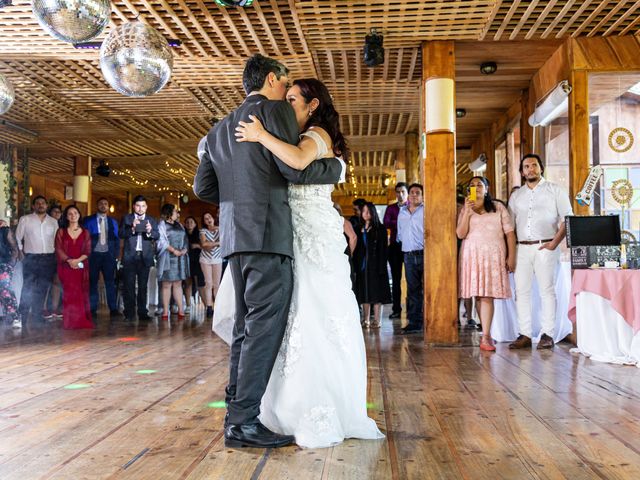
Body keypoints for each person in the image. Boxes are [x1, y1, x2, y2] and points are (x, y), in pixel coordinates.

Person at [194, 54, 380, 449]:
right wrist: (334, 170)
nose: (286, 92)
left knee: (247, 329)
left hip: (234, 242)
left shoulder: (216, 131)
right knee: (262, 330)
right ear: (273, 78)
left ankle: (237, 412)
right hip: (268, 238)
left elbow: (204, 190)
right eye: (285, 83)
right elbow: (293, 170)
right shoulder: (273, 112)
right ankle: (242, 421)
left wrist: (238, 189)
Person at [508, 154, 573, 350]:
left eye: (534, 165)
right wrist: (510, 253)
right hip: (521, 248)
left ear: (541, 168)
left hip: (545, 246)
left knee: (547, 291)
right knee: (522, 292)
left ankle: (548, 334)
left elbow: (568, 219)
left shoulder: (555, 190)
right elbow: (509, 226)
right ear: (522, 172)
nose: (530, 169)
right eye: (526, 167)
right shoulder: (516, 196)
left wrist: (554, 243)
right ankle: (525, 334)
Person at [457, 177, 516, 351]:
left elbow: (510, 234)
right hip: (472, 255)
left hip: (493, 255)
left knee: (487, 295)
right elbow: (460, 234)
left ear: (487, 188)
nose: (476, 188)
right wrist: (467, 212)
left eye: (479, 185)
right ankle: (485, 332)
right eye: (472, 186)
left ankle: (486, 336)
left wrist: (511, 256)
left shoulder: (498, 207)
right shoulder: (466, 209)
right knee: (476, 294)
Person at [15, 195, 58, 324]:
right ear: (33, 206)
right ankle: (22, 314)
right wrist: (21, 251)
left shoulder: (53, 222)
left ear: (46, 206)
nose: (41, 205)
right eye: (38, 203)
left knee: (43, 287)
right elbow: (17, 237)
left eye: (43, 203)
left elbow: (57, 240)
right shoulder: (25, 219)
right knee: (27, 286)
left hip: (48, 258)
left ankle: (37, 315)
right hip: (31, 258)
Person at [120, 195, 159, 323]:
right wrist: (132, 228)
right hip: (130, 256)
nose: (140, 208)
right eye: (138, 205)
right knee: (129, 286)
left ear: (146, 207)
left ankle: (143, 313)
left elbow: (156, 235)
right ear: (133, 206)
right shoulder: (127, 218)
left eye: (143, 206)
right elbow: (120, 234)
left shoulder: (151, 220)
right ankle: (129, 313)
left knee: (143, 286)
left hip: (145, 257)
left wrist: (149, 231)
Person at [353, 202, 391, 328]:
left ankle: (377, 320)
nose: (366, 213)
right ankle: (366, 319)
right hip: (363, 265)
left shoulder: (380, 229)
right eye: (364, 211)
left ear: (373, 212)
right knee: (364, 292)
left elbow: (384, 249)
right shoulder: (358, 228)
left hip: (376, 265)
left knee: (376, 293)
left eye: (368, 211)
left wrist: (382, 266)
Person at [55, 205, 93, 329]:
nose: (73, 215)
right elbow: (58, 249)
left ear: (79, 215)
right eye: (70, 213)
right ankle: (70, 322)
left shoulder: (85, 232)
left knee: (81, 293)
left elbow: (88, 250)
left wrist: (77, 261)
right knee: (69, 294)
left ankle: (81, 321)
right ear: (66, 216)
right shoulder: (61, 231)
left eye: (75, 213)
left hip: (81, 267)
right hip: (66, 267)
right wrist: (70, 261)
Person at [83, 198, 120, 318]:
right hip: (93, 255)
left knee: (110, 282)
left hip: (108, 256)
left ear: (108, 207)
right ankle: (92, 309)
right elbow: (84, 238)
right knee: (92, 282)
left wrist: (116, 254)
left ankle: (113, 309)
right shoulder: (88, 220)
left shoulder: (112, 221)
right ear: (96, 205)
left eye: (105, 204)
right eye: (101, 204)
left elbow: (116, 239)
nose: (103, 206)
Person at [396, 183, 424, 334]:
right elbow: (399, 234)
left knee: (427, 289)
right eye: (412, 192)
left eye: (417, 192)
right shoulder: (402, 213)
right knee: (412, 290)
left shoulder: (425, 210)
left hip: (424, 254)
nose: (414, 195)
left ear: (422, 195)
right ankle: (414, 323)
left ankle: (428, 320)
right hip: (408, 255)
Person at [156, 204, 189, 320]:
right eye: (175, 212)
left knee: (178, 284)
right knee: (166, 285)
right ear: (169, 213)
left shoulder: (179, 225)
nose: (177, 214)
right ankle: (165, 311)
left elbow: (185, 238)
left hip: (180, 257)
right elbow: (161, 241)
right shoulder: (162, 225)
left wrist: (184, 249)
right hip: (167, 257)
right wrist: (173, 250)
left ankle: (181, 310)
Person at [383, 182, 408, 319]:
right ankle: (396, 309)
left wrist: (397, 221)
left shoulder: (412, 207)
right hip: (394, 247)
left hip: (409, 247)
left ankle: (412, 309)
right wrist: (402, 221)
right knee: (396, 279)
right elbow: (386, 222)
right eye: (398, 192)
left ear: (407, 193)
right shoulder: (391, 208)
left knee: (412, 280)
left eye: (403, 192)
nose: (400, 194)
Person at [199, 212, 222, 319]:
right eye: (205, 218)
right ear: (204, 221)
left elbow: (224, 239)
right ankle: (209, 307)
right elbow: (204, 245)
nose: (208, 219)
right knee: (208, 283)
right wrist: (217, 243)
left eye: (209, 217)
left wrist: (211, 243)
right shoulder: (203, 231)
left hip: (217, 259)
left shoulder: (220, 229)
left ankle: (218, 307)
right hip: (205, 259)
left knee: (217, 284)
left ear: (213, 218)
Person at [0, 219, 20, 328]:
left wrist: (11, 264)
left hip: (3, 263)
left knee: (4, 289)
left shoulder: (4, 230)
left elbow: (14, 247)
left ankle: (15, 316)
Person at [184, 216, 205, 313]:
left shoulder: (199, 234)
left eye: (191, 222)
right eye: (187, 222)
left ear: (195, 224)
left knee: (199, 284)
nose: (189, 224)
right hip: (186, 260)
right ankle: (188, 305)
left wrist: (197, 245)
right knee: (188, 283)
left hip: (197, 261)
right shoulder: (183, 234)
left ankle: (206, 305)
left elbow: (205, 246)